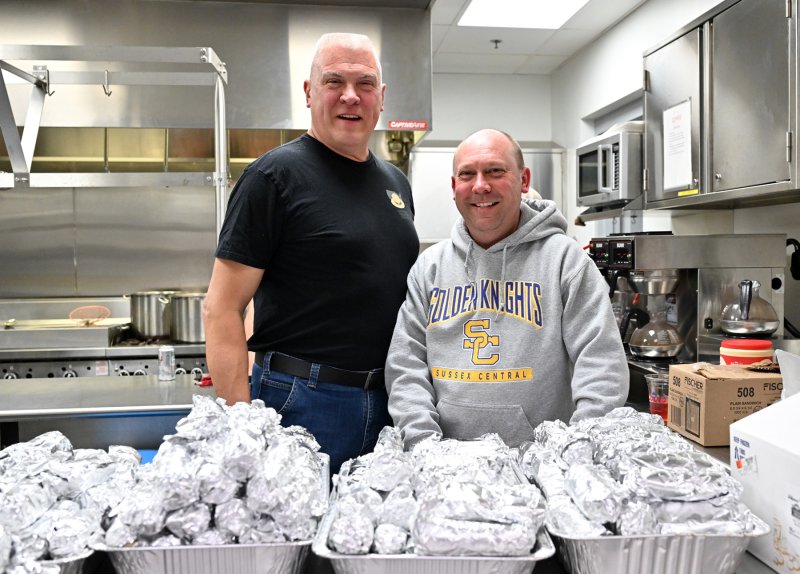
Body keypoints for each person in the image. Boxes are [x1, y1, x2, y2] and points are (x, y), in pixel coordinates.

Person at [203, 32, 419, 474]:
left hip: (391, 401)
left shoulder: (396, 184)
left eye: (365, 84)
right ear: (308, 92)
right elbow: (221, 308)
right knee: (299, 539)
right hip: (302, 401)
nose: (350, 97)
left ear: (382, 97)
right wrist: (242, 428)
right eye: (334, 81)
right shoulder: (273, 177)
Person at [385, 128, 628, 450]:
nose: (480, 185)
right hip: (445, 461)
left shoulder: (565, 261)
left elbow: (601, 366)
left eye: (495, 171)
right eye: (467, 174)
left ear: (524, 180)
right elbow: (406, 366)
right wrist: (423, 445)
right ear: (454, 187)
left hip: (542, 461)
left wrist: (575, 450)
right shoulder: (429, 268)